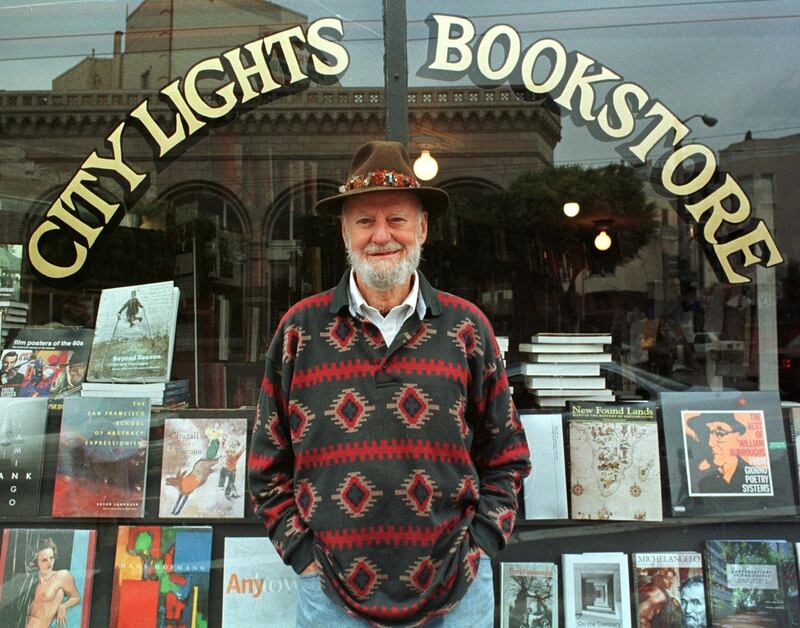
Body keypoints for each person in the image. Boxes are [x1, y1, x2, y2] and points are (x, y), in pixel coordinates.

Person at [248, 140, 531, 627]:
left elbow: (507, 456)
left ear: (421, 227)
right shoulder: (299, 330)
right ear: (344, 232)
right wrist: (303, 556)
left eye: (396, 218)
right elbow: (265, 464)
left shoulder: (467, 329)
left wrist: (481, 543)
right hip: (331, 596)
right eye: (364, 221)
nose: (382, 235)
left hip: (458, 593)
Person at [15, 537, 80, 628]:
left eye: (51, 558)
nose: (50, 563)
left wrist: (63, 606)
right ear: (36, 562)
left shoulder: (62, 576)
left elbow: (76, 597)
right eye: (45, 560)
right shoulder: (31, 581)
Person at [686, 413, 750, 494]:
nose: (710, 443)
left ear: (738, 436)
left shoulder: (753, 475)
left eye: (720, 434)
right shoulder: (694, 475)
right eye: (706, 434)